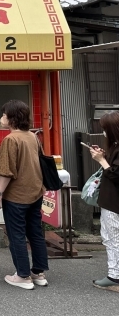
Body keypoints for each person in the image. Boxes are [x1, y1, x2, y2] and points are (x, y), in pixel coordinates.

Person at [0, 100, 49, 290]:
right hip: (35, 192)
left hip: (16, 195)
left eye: (4, 114)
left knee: (16, 234)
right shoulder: (32, 137)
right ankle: (38, 273)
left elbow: (6, 171)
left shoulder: (10, 140)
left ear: (12, 118)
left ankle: (23, 276)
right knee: (35, 232)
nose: (1, 117)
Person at [89, 111, 119, 292]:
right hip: (112, 202)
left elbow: (116, 174)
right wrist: (104, 156)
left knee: (112, 238)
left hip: (113, 203)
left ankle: (114, 276)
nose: (103, 133)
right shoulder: (116, 145)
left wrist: (102, 160)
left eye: (104, 129)